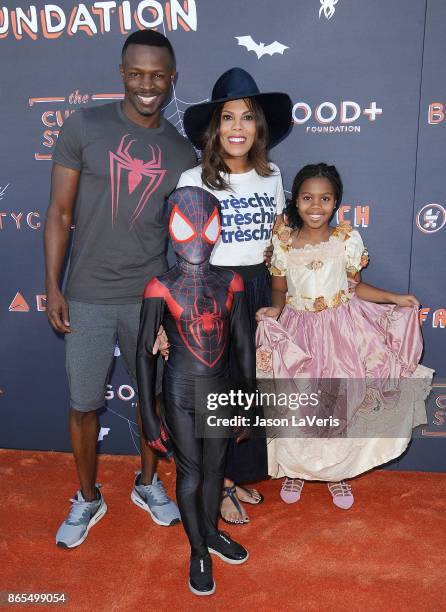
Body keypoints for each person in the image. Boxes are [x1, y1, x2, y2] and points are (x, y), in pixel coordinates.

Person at [44, 29, 196, 548]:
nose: (146, 84)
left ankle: (147, 483)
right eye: (136, 74)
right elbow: (59, 213)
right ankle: (88, 497)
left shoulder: (182, 152)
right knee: (84, 402)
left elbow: (189, 232)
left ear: (172, 78)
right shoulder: (84, 125)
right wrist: (53, 286)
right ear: (121, 74)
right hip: (85, 294)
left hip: (148, 297)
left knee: (152, 400)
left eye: (157, 75)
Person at [256, 163, 433, 508]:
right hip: (297, 334)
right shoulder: (284, 241)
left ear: (336, 202)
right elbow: (278, 288)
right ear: (297, 200)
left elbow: (355, 287)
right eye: (307, 198)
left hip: (341, 332)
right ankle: (297, 468)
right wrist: (275, 309)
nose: (316, 206)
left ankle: (337, 473)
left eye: (325, 198)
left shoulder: (346, 240)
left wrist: (394, 298)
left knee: (339, 404)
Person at [176, 67, 292, 524]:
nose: (237, 128)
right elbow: (186, 254)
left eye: (247, 117)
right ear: (214, 127)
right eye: (228, 118)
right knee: (215, 393)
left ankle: (236, 472)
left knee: (249, 388)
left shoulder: (273, 175)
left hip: (259, 289)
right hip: (214, 292)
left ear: (258, 127)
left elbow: (278, 241)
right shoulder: (192, 181)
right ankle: (217, 483)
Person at [137, 186, 252, 596]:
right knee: (191, 473)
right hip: (180, 392)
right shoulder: (159, 286)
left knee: (215, 471)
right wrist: (150, 417)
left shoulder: (232, 282)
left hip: (221, 391)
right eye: (187, 225)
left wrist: (247, 403)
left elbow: (243, 346)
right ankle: (198, 550)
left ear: (219, 228)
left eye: (207, 225)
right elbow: (143, 355)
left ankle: (210, 533)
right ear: (171, 227)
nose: (198, 236)